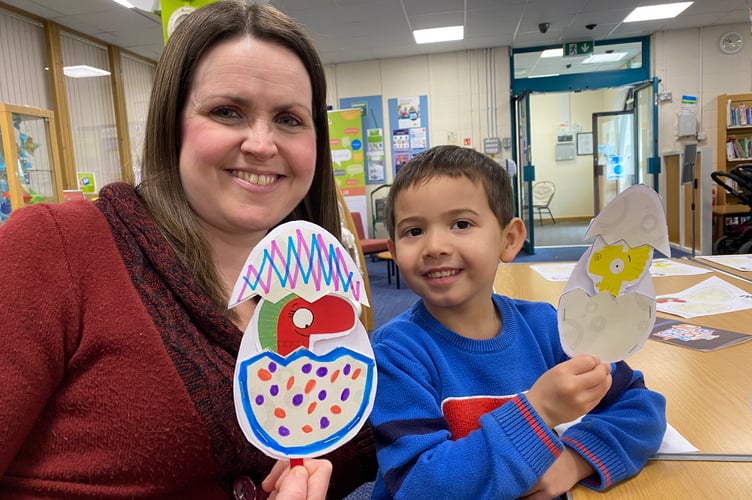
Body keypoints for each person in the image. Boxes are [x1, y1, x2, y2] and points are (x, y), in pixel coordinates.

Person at [0, 1, 376, 498]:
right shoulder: (54, 248)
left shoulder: (321, 277)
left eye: (289, 119)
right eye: (227, 111)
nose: (262, 143)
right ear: (173, 123)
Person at [368, 145, 666, 499]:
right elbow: (421, 486)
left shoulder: (549, 328)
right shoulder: (394, 353)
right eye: (413, 231)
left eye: (461, 224)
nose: (434, 246)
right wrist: (539, 411)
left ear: (508, 240)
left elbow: (642, 408)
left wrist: (573, 461)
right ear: (394, 248)